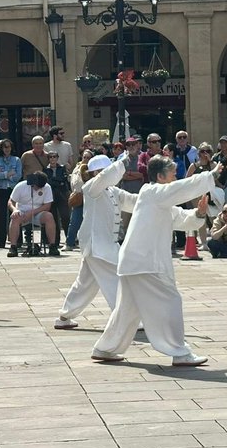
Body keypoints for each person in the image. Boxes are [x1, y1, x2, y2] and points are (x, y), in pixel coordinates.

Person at [91, 156, 218, 366]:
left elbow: (182, 218)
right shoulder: (152, 192)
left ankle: (105, 348)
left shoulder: (158, 201)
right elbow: (180, 189)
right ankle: (179, 352)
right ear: (160, 176)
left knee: (127, 311)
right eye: (172, 174)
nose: (175, 177)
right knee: (170, 302)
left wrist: (198, 212)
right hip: (144, 263)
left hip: (135, 262)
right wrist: (209, 176)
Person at [55, 156, 136, 329]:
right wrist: (122, 162)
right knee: (116, 280)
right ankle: (125, 319)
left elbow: (134, 201)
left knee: (84, 285)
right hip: (98, 246)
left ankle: (64, 317)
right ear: (95, 173)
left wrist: (155, 199)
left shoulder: (113, 191)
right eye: (102, 170)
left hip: (102, 247)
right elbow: (105, 176)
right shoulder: (91, 187)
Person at [7, 172, 59, 257]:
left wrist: (32, 212)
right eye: (36, 186)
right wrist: (14, 210)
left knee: (49, 216)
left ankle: (52, 246)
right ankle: (13, 247)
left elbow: (47, 206)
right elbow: (11, 201)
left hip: (38, 213)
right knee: (15, 218)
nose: (38, 188)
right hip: (22, 212)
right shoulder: (21, 186)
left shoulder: (47, 187)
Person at [0, 139, 21, 249]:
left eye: (8, 147)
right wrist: (8, 173)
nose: (7, 149)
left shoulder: (17, 160)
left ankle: (17, 240)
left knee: (15, 214)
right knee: (0, 215)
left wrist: (5, 175)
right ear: (1, 149)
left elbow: (18, 176)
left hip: (13, 189)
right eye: (5, 147)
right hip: (1, 189)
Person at [43, 152, 72, 247]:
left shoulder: (62, 168)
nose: (52, 159)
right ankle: (55, 241)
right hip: (50, 196)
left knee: (65, 217)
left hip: (62, 195)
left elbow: (64, 179)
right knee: (54, 218)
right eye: (50, 157)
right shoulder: (45, 169)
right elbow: (47, 181)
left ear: (57, 158)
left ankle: (69, 239)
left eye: (54, 157)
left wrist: (54, 181)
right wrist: (57, 181)